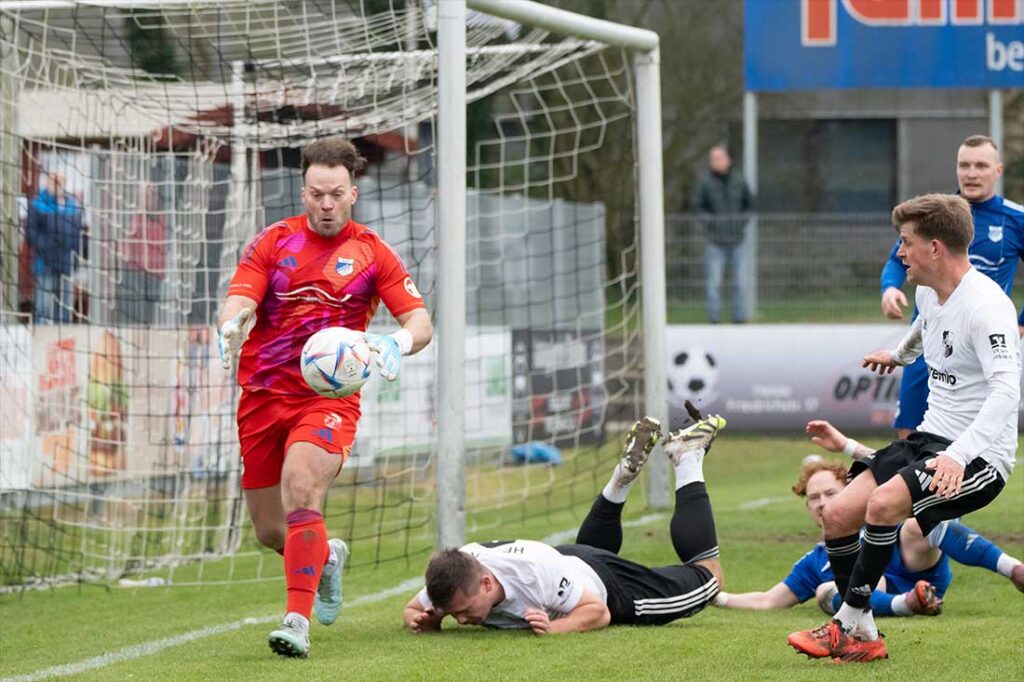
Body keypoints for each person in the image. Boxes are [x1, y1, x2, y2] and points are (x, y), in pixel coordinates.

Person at [217, 137, 433, 658]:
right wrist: (231, 327)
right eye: (317, 194)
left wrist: (395, 343)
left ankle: (296, 621)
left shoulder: (373, 253)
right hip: (263, 397)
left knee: (302, 483)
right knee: (273, 531)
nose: (327, 204)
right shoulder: (273, 242)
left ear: (353, 193)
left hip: (328, 400)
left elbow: (420, 323)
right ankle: (327, 558)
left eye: (336, 194)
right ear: (303, 191)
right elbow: (238, 301)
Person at [788, 193, 1021, 663]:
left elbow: (1006, 393)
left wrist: (958, 455)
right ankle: (868, 637)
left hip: (978, 457)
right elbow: (923, 329)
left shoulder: (987, 307)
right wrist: (897, 355)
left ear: (935, 248)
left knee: (883, 503)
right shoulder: (927, 292)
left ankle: (842, 624)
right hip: (927, 438)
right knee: (837, 515)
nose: (899, 253)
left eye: (906, 242)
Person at [403, 415, 726, 634]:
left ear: (487, 584)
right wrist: (425, 621)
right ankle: (620, 480)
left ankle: (688, 458)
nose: (460, 620)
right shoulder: (456, 575)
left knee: (710, 577)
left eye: (463, 610)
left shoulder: (532, 575)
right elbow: (412, 609)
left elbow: (598, 612)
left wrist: (552, 627)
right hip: (568, 560)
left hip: (606, 584)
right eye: (454, 613)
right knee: (583, 560)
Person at [715, 421, 1023, 617]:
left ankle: (1013, 569)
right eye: (813, 498)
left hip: (920, 568)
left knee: (916, 525)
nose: (823, 504)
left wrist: (848, 446)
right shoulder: (815, 560)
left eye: (831, 494)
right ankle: (907, 605)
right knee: (825, 592)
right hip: (891, 592)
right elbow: (769, 600)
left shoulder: (880, 509)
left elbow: (895, 467)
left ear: (850, 491)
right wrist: (714, 597)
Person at [879, 135, 1024, 439]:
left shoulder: (1015, 218)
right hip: (927, 339)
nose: (971, 173)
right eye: (964, 165)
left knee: (971, 435)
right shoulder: (934, 216)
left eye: (981, 166)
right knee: (908, 433)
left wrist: (1020, 323)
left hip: (976, 344)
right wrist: (890, 288)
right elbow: (896, 259)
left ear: (997, 171)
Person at [692, 144, 754, 324]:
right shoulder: (705, 183)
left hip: (738, 239)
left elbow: (749, 205)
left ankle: (739, 319)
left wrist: (741, 221)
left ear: (727, 160)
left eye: (718, 158)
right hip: (715, 241)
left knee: (740, 283)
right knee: (713, 284)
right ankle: (714, 320)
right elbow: (697, 206)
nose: (715, 162)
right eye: (713, 159)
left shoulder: (739, 181)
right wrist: (708, 221)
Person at [25, 172, 84, 323]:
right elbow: (31, 234)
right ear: (48, 181)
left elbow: (77, 236)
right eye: (54, 179)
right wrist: (48, 247)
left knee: (65, 309)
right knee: (43, 308)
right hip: (45, 265)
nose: (57, 183)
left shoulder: (73, 206)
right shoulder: (38, 204)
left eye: (60, 180)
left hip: (66, 265)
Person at [117, 183, 166, 325]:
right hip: (136, 273)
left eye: (153, 194)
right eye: (146, 194)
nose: (150, 197)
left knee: (149, 316)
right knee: (136, 314)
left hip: (155, 275)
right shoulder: (135, 219)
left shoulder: (163, 220)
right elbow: (125, 245)